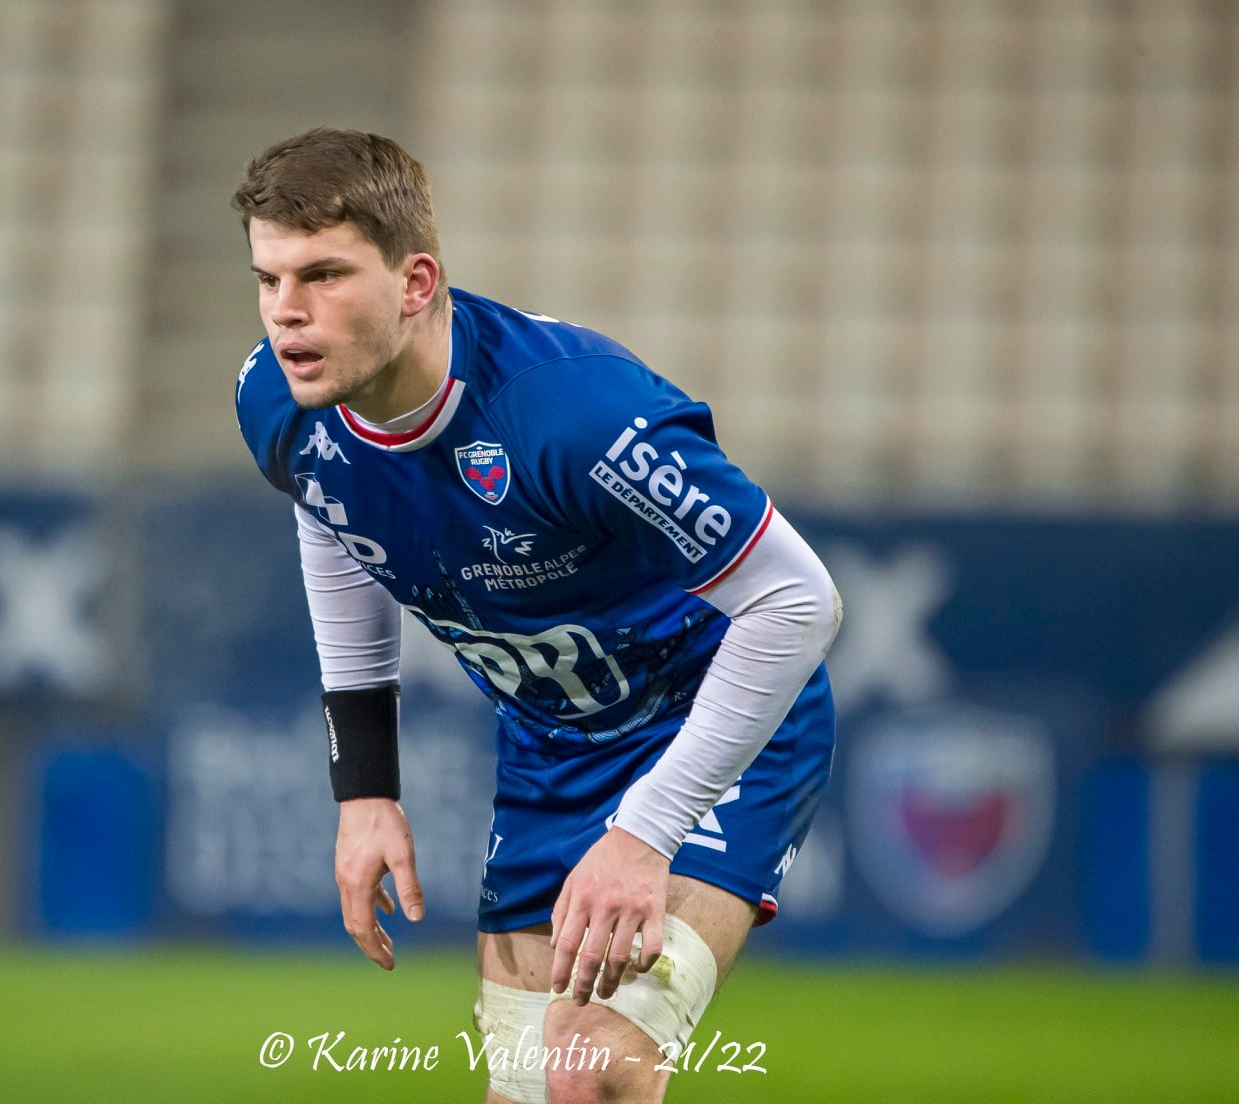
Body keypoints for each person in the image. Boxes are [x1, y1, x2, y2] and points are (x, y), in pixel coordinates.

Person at [232, 127, 840, 1104]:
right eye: (268, 280)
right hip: (553, 749)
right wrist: (365, 788)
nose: (287, 315)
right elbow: (333, 518)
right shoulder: (279, 402)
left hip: (711, 726)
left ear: (417, 280)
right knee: (524, 1091)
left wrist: (647, 831)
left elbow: (797, 601)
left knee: (589, 1070)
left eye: (324, 275)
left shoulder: (569, 413)